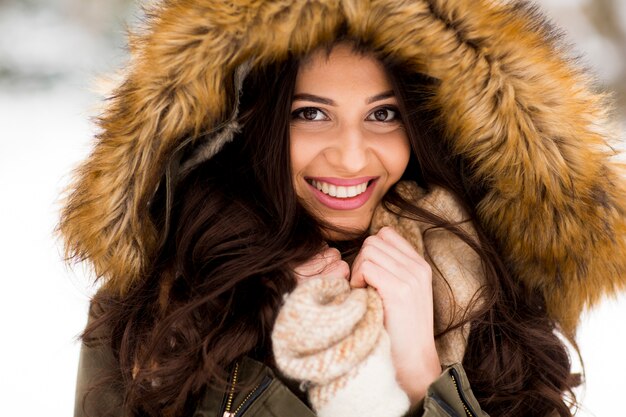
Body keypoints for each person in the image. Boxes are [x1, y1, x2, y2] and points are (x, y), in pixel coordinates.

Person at [59, 1, 626, 417]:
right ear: (245, 126)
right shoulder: (163, 300)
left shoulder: (494, 294)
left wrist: (422, 373)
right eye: (310, 113)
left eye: (383, 115)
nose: (353, 157)